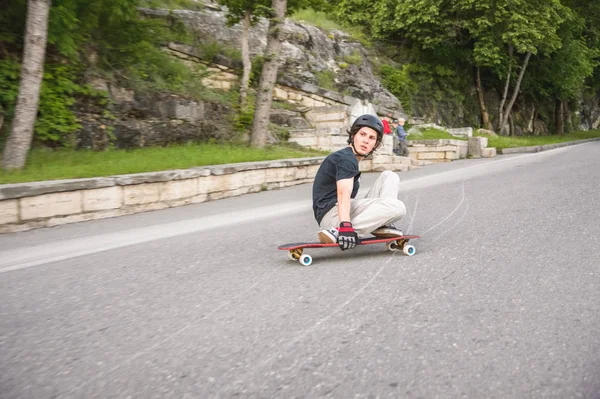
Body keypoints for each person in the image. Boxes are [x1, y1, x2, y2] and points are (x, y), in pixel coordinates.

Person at [312, 114, 407, 250]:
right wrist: (345, 225)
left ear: (376, 144)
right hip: (332, 214)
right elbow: (343, 194)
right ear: (353, 136)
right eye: (362, 134)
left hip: (341, 210)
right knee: (398, 208)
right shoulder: (347, 159)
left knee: (389, 176)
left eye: (371, 138)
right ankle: (338, 231)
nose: (366, 141)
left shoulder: (350, 158)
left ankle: (381, 224)